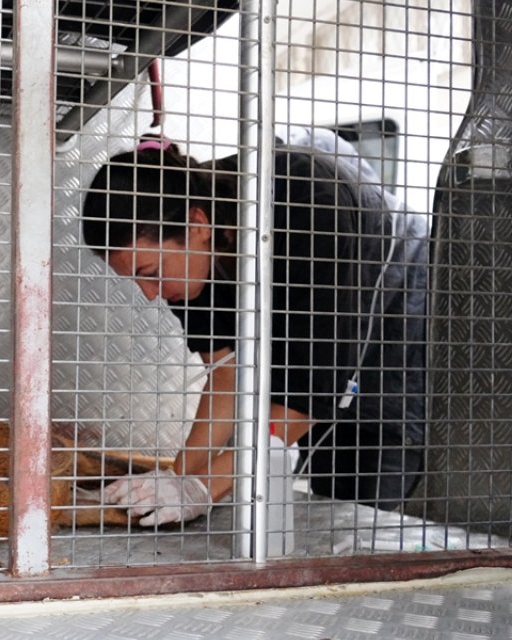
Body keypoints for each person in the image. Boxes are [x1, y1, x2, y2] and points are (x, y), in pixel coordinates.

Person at [82, 135, 429, 526]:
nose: (149, 296)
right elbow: (227, 372)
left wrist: (201, 488)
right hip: (314, 352)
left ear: (197, 225)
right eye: (135, 281)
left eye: (151, 274)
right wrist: (175, 478)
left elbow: (309, 394)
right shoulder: (194, 247)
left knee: (363, 492)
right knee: (314, 472)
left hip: (398, 325)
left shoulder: (305, 203)